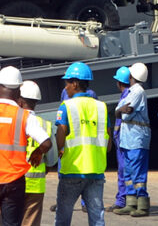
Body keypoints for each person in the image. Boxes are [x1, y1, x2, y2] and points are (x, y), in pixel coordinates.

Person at [0, 66, 52, 226]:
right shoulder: (24, 116)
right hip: (14, 181)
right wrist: (36, 153)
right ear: (19, 89)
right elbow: (46, 143)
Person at [53, 61, 108, 226]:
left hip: (72, 170)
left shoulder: (66, 106)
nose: (65, 87)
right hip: (96, 171)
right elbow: (109, 143)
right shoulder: (102, 107)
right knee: (97, 218)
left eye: (67, 82)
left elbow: (61, 133)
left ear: (75, 84)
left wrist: (58, 150)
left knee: (63, 216)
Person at [17, 80, 58, 226]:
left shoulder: (14, 122)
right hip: (36, 185)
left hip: (13, 181)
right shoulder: (45, 125)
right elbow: (52, 160)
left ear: (20, 101)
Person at [113, 63, 151, 217]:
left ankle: (142, 205)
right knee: (128, 171)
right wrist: (120, 110)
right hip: (128, 139)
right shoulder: (130, 92)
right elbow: (118, 112)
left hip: (136, 138)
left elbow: (125, 113)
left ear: (132, 76)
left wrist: (120, 110)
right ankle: (131, 203)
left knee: (137, 172)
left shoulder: (137, 92)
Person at [108, 66, 132, 214]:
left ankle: (122, 200)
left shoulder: (125, 97)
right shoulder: (129, 95)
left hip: (123, 140)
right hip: (125, 139)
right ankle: (128, 199)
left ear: (119, 82)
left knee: (123, 171)